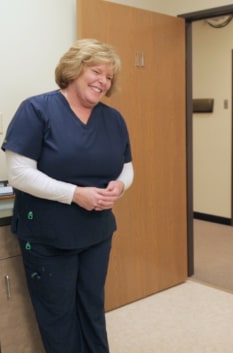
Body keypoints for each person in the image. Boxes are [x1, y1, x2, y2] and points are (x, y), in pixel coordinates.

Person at [1, 38, 133, 353]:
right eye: (96, 71)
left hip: (97, 232)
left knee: (92, 307)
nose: (103, 81)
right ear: (74, 69)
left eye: (109, 77)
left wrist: (121, 185)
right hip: (49, 235)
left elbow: (127, 167)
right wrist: (75, 194)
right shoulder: (36, 109)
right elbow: (19, 173)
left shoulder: (113, 119)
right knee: (58, 316)